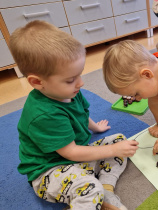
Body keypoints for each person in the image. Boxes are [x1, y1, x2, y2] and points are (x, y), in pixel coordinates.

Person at [9, 20, 139, 210]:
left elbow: (81, 114)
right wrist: (114, 151)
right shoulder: (43, 114)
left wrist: (96, 128)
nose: (80, 83)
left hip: (76, 158)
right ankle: (95, 194)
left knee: (119, 140)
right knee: (90, 186)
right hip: (50, 170)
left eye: (79, 75)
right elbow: (71, 152)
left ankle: (106, 191)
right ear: (37, 82)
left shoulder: (69, 92)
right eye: (70, 79)